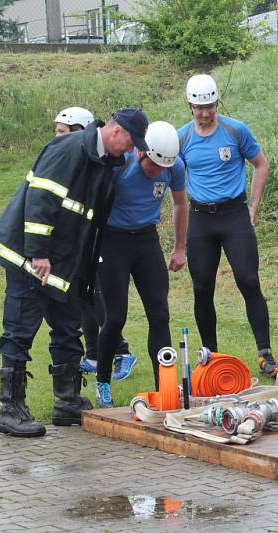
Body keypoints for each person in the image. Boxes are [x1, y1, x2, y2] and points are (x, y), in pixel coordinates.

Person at [0, 108, 149, 437]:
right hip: (31, 258)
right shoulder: (69, 149)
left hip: (62, 263)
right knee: (20, 331)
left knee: (68, 328)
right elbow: (40, 199)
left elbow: (86, 218)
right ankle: (10, 409)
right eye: (130, 143)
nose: (130, 151)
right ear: (116, 132)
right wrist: (38, 253)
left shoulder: (103, 162)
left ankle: (66, 400)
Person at [178, 74, 278, 378]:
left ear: (216, 103)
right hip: (200, 219)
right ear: (190, 106)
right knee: (202, 288)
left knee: (248, 281)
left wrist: (253, 206)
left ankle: (265, 353)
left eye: (210, 106)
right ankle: (210, 354)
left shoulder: (236, 130)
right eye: (199, 107)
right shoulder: (181, 137)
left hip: (234, 215)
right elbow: (168, 174)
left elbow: (261, 164)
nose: (205, 113)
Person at [94, 121, 188, 407]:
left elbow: (180, 204)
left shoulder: (174, 166)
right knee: (116, 316)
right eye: (153, 167)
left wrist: (180, 247)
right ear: (141, 152)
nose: (158, 173)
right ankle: (103, 382)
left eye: (163, 169)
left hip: (146, 241)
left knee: (159, 314)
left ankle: (165, 386)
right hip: (113, 242)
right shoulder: (119, 163)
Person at [52, 107, 137, 381]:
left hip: (101, 239)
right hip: (79, 240)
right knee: (82, 296)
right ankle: (92, 353)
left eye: (63, 131)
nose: (57, 136)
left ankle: (121, 350)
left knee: (96, 295)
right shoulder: (70, 156)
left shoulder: (105, 162)